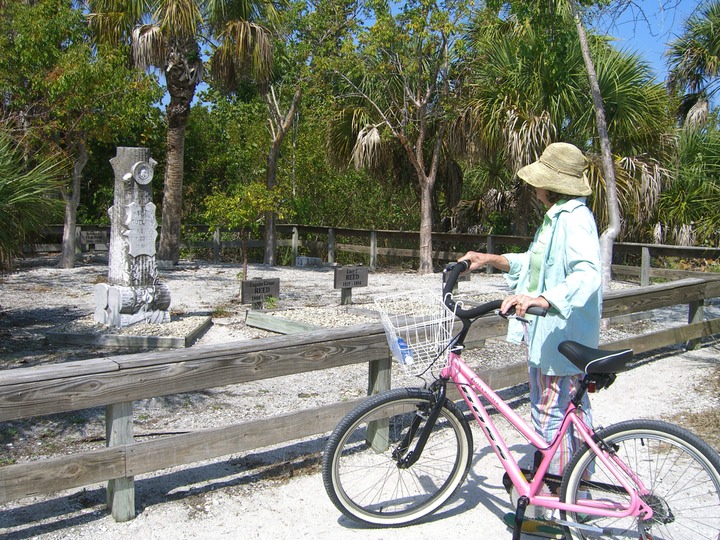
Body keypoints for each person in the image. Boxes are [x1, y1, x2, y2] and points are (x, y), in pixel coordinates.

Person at [459, 142, 602, 480]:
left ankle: (560, 500)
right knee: (566, 412)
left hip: (561, 335)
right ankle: (572, 482)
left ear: (548, 184)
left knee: (552, 416)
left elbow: (587, 274)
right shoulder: (555, 220)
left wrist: (544, 299)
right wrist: (489, 260)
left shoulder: (574, 220)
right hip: (546, 334)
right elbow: (534, 263)